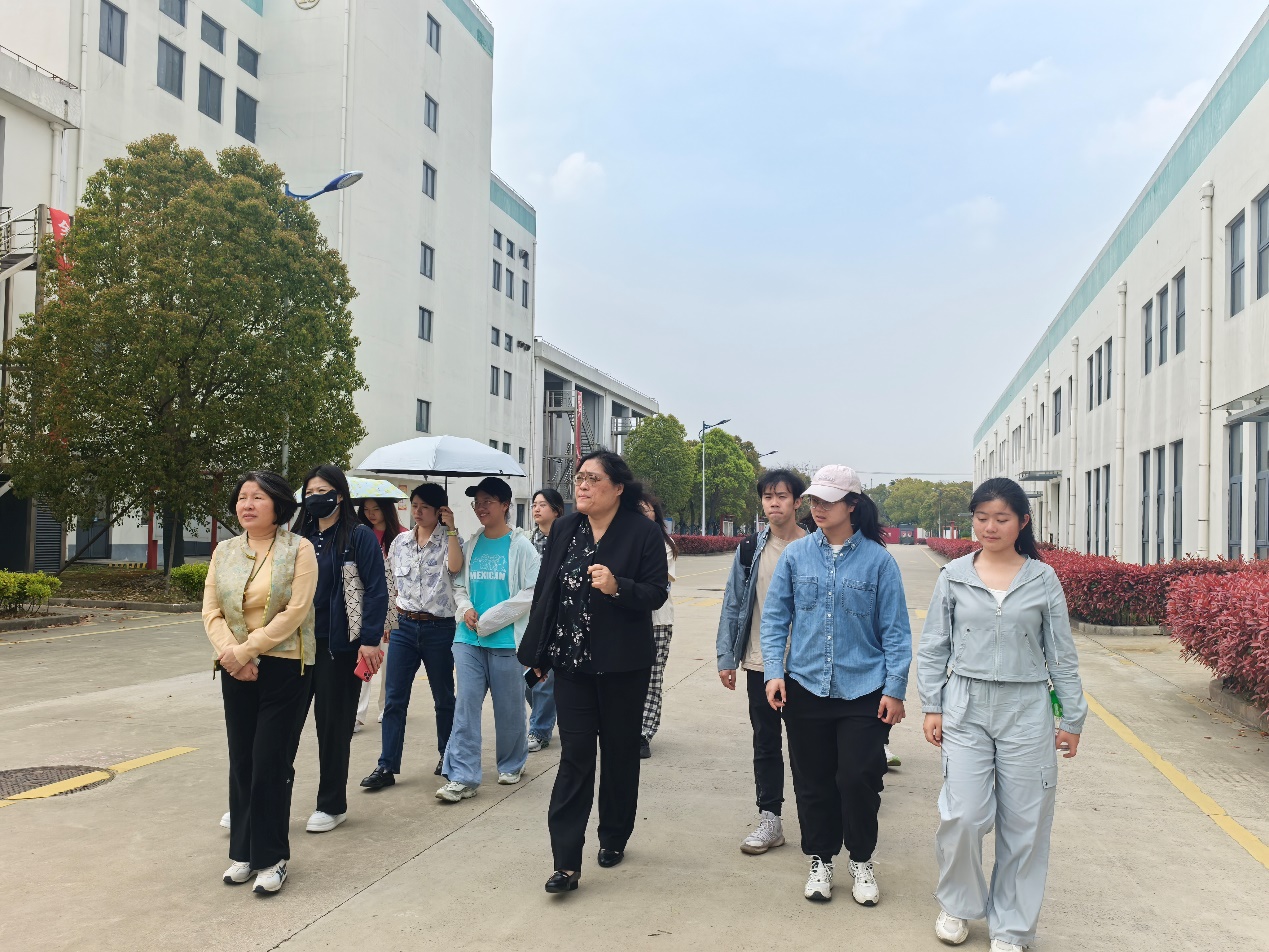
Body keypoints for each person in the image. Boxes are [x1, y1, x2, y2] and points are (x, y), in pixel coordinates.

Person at [917, 478, 1086, 952]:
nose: (990, 527)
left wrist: (1072, 718)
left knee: (1025, 823)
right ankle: (958, 903)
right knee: (964, 814)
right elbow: (933, 647)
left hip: (1027, 708)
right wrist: (932, 704)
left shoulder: (1042, 579)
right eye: (982, 517)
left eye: (1002, 518)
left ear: (1022, 522)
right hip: (965, 705)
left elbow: (1061, 654)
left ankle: (1011, 927)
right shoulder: (954, 575)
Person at [518, 451, 669, 894]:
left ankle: (614, 834)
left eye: (592, 479)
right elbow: (546, 591)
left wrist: (618, 587)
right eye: (579, 478)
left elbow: (656, 593)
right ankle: (566, 863)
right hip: (572, 666)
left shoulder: (642, 532)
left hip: (623, 666)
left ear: (617, 488)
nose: (582, 485)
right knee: (575, 756)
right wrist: (540, 651)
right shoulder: (566, 528)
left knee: (619, 754)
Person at [761, 465, 911, 906]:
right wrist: (773, 672)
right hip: (805, 685)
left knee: (859, 776)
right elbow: (775, 618)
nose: (818, 507)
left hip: (863, 688)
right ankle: (821, 860)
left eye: (828, 500)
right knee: (812, 781)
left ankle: (861, 859)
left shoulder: (879, 562)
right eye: (814, 500)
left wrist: (895, 688)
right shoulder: (796, 556)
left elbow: (896, 631)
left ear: (853, 504)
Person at [203, 470, 315, 895]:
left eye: (258, 497)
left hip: (285, 666)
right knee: (242, 760)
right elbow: (211, 610)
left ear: (278, 505)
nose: (247, 505)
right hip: (235, 666)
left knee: (270, 761)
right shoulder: (224, 551)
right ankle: (244, 854)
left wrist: (247, 650)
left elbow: (296, 611)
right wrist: (231, 654)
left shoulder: (299, 549)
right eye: (242, 497)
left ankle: (272, 858)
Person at [292, 465, 388, 833]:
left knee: (332, 728)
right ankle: (262, 800)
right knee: (282, 726)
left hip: (338, 648)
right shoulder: (298, 536)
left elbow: (376, 589)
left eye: (323, 491)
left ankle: (331, 805)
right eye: (310, 492)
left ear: (340, 495)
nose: (315, 498)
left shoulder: (357, 536)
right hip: (296, 647)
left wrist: (369, 640)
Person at [716, 468, 806, 854]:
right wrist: (726, 656)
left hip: (807, 666)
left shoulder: (816, 547)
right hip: (761, 663)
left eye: (782, 496)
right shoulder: (750, 548)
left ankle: (817, 820)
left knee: (807, 747)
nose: (774, 503)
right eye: (768, 497)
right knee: (766, 743)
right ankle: (770, 819)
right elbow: (733, 603)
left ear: (797, 502)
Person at [435, 476, 541, 802]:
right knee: (465, 707)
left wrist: (491, 620)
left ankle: (512, 762)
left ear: (505, 505)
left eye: (487, 502)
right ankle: (462, 777)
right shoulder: (472, 544)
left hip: (506, 642)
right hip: (468, 640)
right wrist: (465, 608)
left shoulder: (521, 547)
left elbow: (531, 593)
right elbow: (458, 583)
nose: (481, 508)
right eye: (477, 503)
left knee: (509, 709)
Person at [361, 483, 462, 790]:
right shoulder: (400, 542)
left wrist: (451, 529)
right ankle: (387, 765)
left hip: (439, 628)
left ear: (439, 510)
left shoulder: (450, 540)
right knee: (394, 699)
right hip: (404, 626)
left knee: (444, 698)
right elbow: (389, 584)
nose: (417, 512)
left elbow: (455, 568)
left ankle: (447, 757)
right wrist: (387, 620)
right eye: (414, 505)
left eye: (425, 507)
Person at [354, 497, 407, 733]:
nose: (371, 514)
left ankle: (386, 707)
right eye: (366, 509)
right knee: (363, 659)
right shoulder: (360, 535)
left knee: (389, 664)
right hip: (365, 606)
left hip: (394, 606)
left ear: (387, 509)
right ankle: (357, 714)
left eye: (376, 509)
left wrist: (392, 613)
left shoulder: (402, 536)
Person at [637, 493, 678, 759]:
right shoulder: (622, 539)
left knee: (652, 679)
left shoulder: (665, 544)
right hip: (626, 620)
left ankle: (644, 733)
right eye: (638, 509)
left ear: (656, 513)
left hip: (658, 621)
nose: (643, 513)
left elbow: (658, 580)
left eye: (648, 509)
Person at [527, 488, 566, 752]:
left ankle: (539, 730)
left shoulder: (567, 540)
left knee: (544, 677)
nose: (536, 509)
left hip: (556, 616)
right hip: (528, 613)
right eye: (534, 504)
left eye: (542, 504)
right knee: (526, 679)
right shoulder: (527, 541)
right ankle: (548, 713)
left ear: (557, 510)